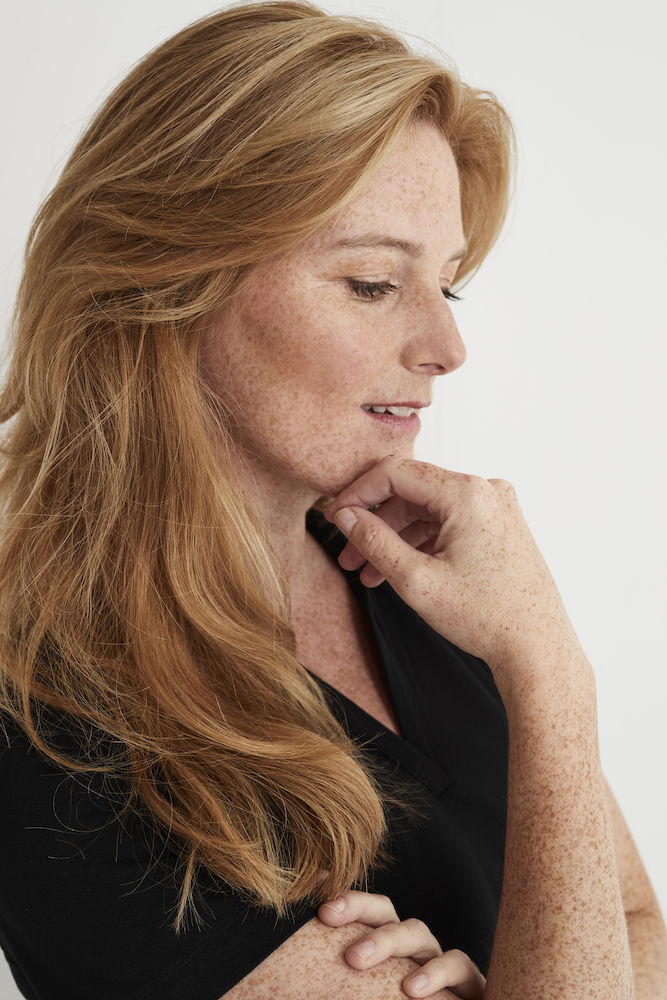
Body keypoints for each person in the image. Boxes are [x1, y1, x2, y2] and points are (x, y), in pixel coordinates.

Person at [0, 2, 665, 998]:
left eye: (448, 285)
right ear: (169, 280)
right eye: (370, 283)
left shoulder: (434, 576)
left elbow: (636, 925)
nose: (446, 348)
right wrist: (552, 681)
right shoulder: (52, 717)